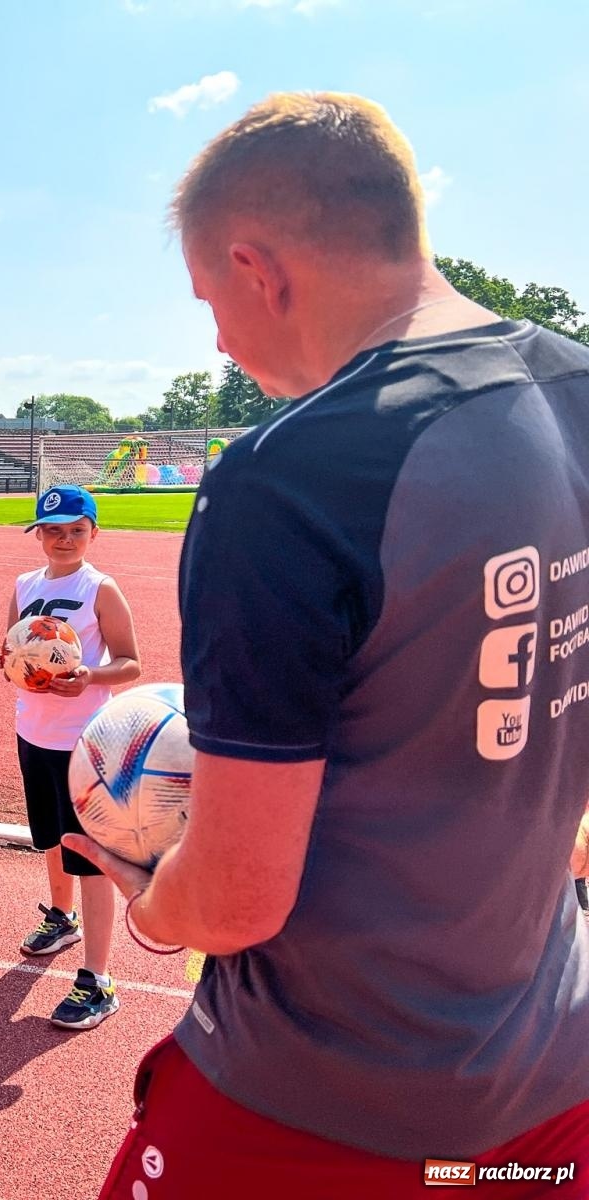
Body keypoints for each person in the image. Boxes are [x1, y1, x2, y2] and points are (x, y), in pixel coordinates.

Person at [67, 93, 589, 1197]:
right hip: (555, 1068)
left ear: (257, 270)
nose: (218, 339)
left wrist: (149, 898)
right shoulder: (578, 392)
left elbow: (237, 902)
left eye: (209, 302)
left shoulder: (287, 477)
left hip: (323, 1100)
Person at [4, 484, 140, 1030]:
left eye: (76, 531)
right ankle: (62, 917)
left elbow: (130, 662)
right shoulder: (24, 585)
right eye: (54, 530)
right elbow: (13, 648)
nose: (64, 540)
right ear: (38, 534)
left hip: (84, 741)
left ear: (93, 533)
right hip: (33, 732)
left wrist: (89, 676)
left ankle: (98, 980)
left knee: (89, 855)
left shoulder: (100, 588)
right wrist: (14, 665)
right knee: (53, 840)